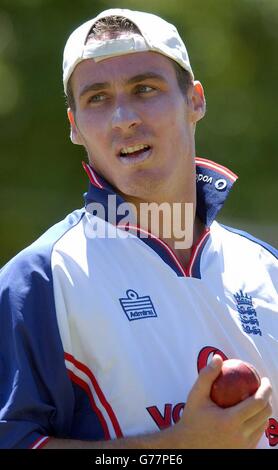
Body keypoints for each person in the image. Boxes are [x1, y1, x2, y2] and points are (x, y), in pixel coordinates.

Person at [0, 8, 277, 450]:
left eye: (145, 88)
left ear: (195, 101)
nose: (123, 117)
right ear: (74, 127)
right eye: (96, 98)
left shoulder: (268, 269)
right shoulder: (40, 278)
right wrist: (178, 448)